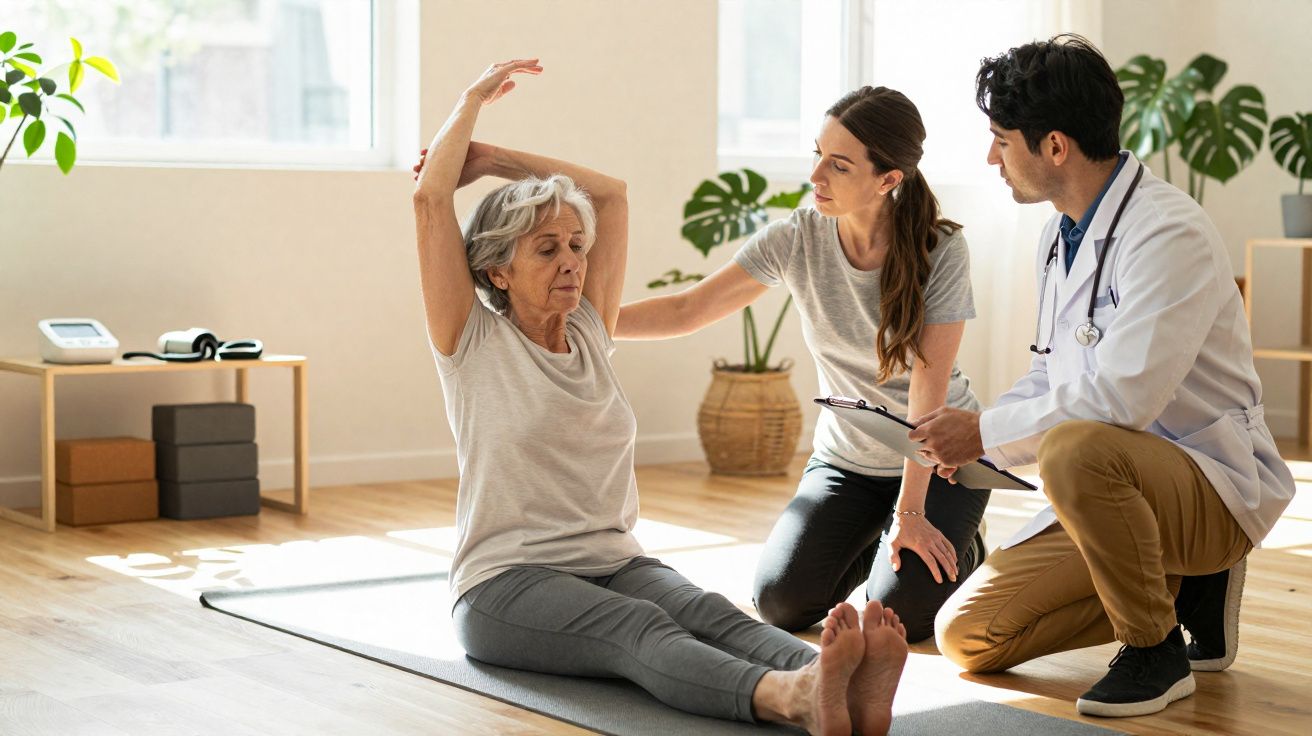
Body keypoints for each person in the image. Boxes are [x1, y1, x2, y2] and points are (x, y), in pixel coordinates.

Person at [412, 59, 909, 735]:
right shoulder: (471, 341)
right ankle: (787, 696)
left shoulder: (588, 327)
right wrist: (473, 104)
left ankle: (836, 678)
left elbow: (611, 196)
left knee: (709, 610)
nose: (571, 262)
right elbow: (428, 201)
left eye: (576, 247)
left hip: (614, 560)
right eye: (546, 249)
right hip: (506, 585)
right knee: (637, 627)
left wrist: (499, 159)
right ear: (496, 269)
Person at [913, 35, 1296, 718]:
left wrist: (983, 431)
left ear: (1055, 146)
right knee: (967, 637)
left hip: (1208, 479)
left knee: (1075, 447)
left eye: (1002, 141)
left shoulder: (1167, 232)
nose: (990, 158)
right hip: (1116, 487)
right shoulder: (1060, 234)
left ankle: (1154, 649)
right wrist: (979, 449)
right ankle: (1184, 590)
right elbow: (1047, 374)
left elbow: (1125, 397)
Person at [617, 86, 987, 642]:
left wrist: (912, 512)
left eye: (838, 166)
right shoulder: (797, 237)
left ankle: (966, 542)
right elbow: (690, 308)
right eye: (817, 154)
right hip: (848, 462)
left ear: (888, 180)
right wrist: (580, 317)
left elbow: (927, 395)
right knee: (781, 602)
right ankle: (876, 536)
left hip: (940, 466)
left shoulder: (942, 249)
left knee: (903, 618)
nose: (816, 176)